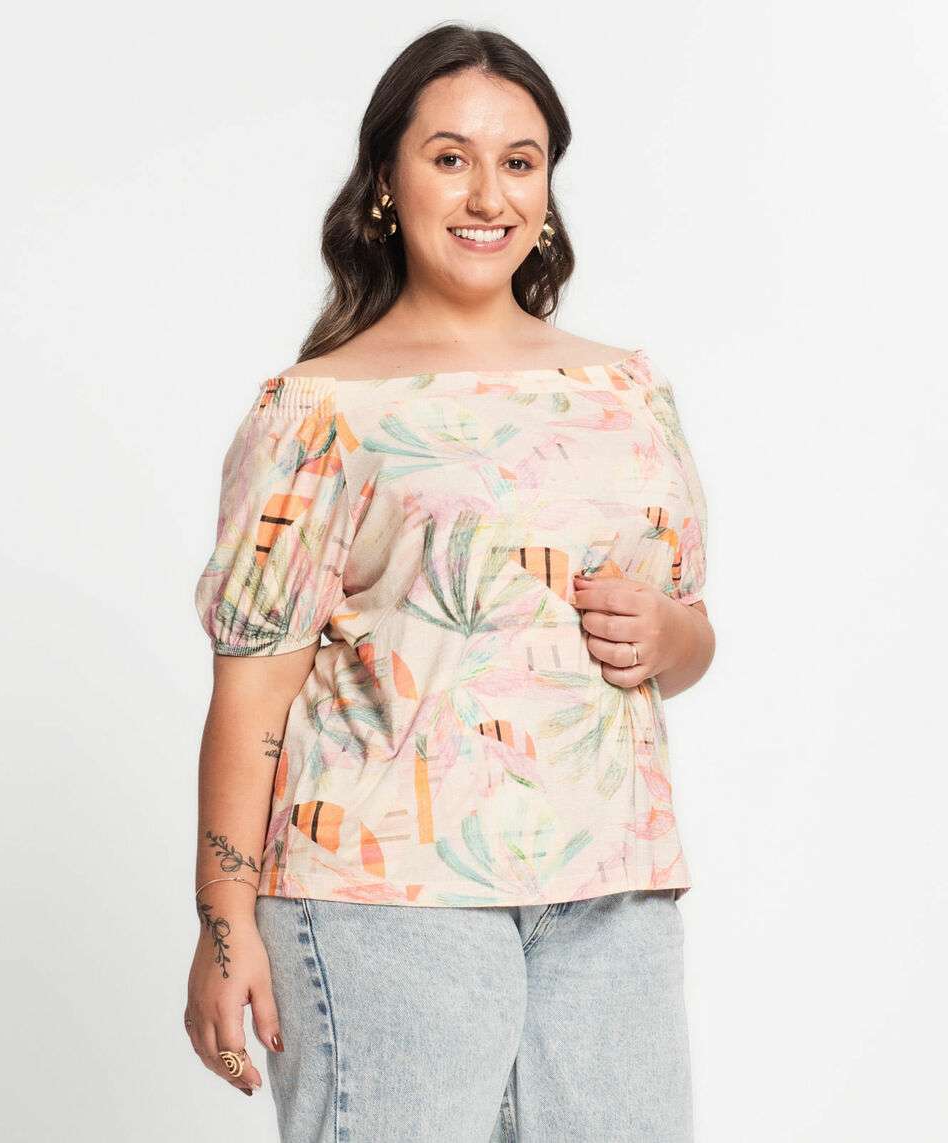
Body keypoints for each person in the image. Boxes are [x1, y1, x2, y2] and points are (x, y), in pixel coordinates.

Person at [185, 22, 714, 1143]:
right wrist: (223, 926)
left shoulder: (625, 392)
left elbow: (687, 629)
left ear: (548, 186)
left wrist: (672, 638)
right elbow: (252, 689)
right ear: (387, 180)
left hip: (612, 890)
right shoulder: (317, 409)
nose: (488, 195)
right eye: (449, 157)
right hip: (382, 898)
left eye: (519, 161)